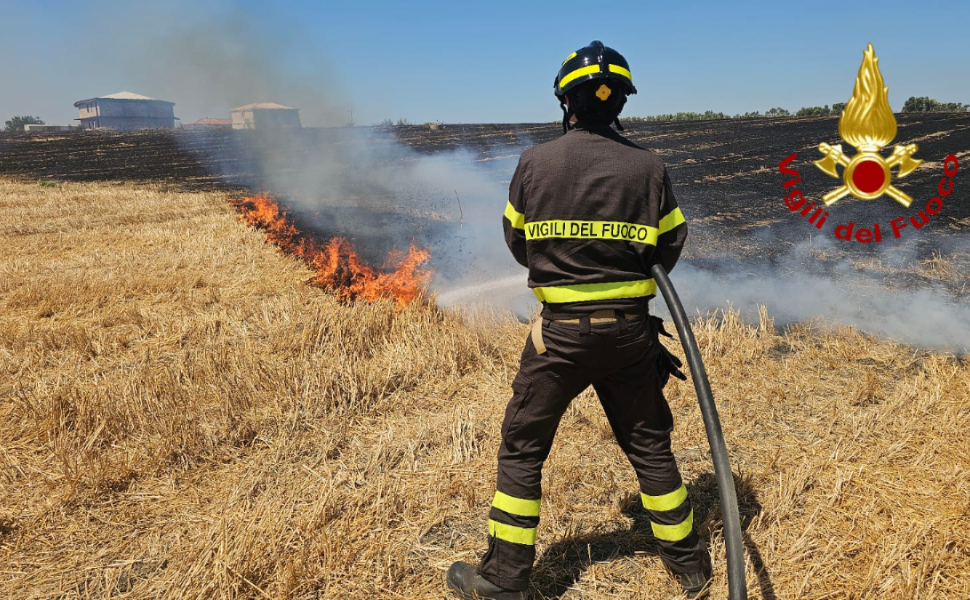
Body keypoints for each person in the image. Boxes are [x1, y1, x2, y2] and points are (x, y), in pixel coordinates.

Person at [446, 41, 712, 599]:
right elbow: (670, 246)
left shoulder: (534, 163)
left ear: (566, 102)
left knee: (523, 448)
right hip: (631, 334)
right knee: (649, 445)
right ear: (620, 106)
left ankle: (503, 579)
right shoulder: (650, 167)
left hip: (559, 336)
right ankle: (689, 566)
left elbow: (518, 242)